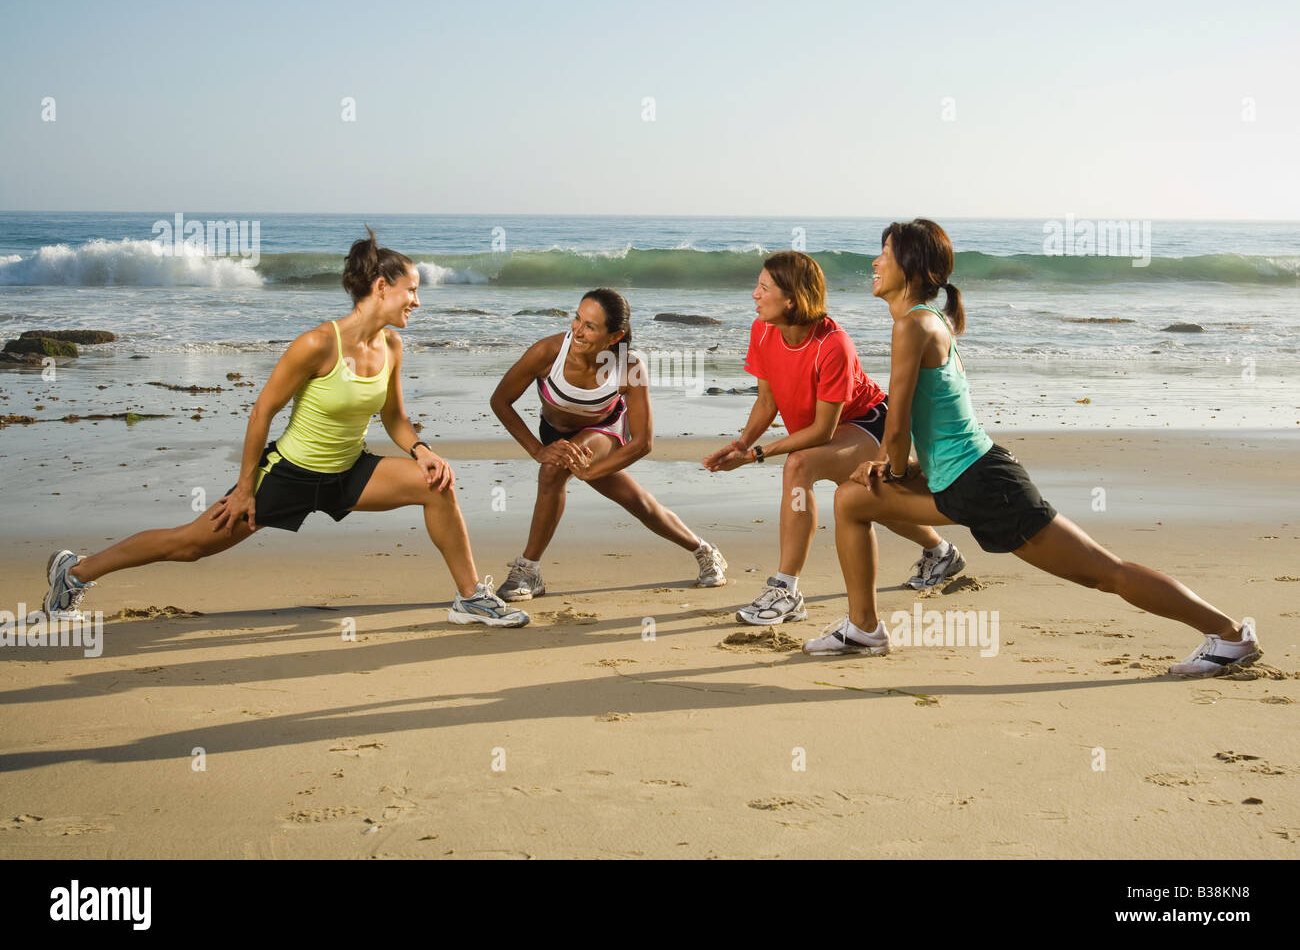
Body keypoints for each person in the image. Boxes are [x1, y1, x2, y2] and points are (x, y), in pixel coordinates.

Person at [809, 218, 1261, 678]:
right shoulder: (926, 320)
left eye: (884, 252)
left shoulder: (913, 325)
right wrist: (895, 467)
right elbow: (932, 426)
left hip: (984, 485)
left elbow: (899, 421)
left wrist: (892, 468)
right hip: (963, 479)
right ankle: (864, 627)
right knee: (850, 500)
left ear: (910, 265)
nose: (875, 261)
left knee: (1104, 573)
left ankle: (1228, 634)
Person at [43, 227, 527, 628]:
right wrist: (245, 488)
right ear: (382, 286)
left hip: (349, 472)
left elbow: (394, 418)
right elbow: (262, 412)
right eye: (412, 289)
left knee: (436, 484)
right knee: (189, 544)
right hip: (288, 474)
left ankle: (469, 599)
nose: (417, 302)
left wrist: (422, 450)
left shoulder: (392, 347)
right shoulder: (317, 343)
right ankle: (76, 572)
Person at [703, 251, 961, 626]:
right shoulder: (763, 329)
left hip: (869, 422)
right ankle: (941, 551)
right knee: (871, 501)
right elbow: (766, 401)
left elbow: (822, 431)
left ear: (791, 298)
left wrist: (759, 453)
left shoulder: (832, 344)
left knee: (799, 464)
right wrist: (743, 443)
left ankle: (785, 590)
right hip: (837, 431)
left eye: (763, 287)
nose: (754, 295)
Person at [489, 288, 728, 599]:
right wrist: (537, 449)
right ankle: (704, 551)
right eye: (577, 318)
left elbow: (643, 442)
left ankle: (527, 571)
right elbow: (501, 401)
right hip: (553, 433)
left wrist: (588, 472)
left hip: (607, 432)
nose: (577, 329)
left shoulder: (629, 368)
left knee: (552, 471)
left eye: (590, 326)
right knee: (639, 503)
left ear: (614, 337)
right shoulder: (547, 353)